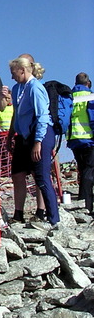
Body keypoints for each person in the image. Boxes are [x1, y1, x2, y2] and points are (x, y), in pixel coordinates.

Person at [7, 56, 59, 228]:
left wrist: (38, 142)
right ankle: (19, 214)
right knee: (17, 173)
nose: (12, 76)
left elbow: (43, 116)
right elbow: (16, 113)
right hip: (23, 136)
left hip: (41, 135)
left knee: (42, 176)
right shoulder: (16, 89)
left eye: (13, 73)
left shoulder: (36, 88)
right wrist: (10, 135)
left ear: (22, 71)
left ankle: (53, 218)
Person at [67, 72, 94, 216]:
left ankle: (83, 202)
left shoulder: (70, 96)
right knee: (89, 171)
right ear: (88, 83)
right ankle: (86, 204)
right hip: (88, 138)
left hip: (73, 139)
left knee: (83, 169)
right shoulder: (90, 95)